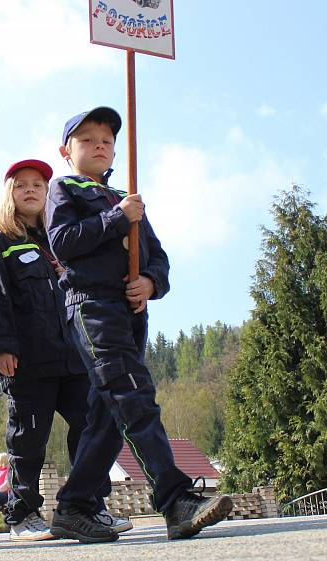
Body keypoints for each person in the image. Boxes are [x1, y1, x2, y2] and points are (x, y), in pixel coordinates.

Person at [45, 106, 234, 542]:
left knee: (109, 416)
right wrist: (116, 219)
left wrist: (150, 282)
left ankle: (73, 507)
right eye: (87, 139)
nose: (99, 146)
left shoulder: (127, 201)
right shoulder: (64, 189)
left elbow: (159, 257)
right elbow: (64, 243)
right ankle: (176, 499)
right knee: (134, 396)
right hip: (92, 308)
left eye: (107, 141)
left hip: (131, 311)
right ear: (66, 151)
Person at [0, 159, 130, 542]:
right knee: (28, 437)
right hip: (28, 359)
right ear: (9, 194)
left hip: (74, 354)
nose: (31, 190)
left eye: (38, 185)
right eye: (21, 185)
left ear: (49, 195)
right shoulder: (0, 242)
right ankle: (22, 513)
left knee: (90, 427)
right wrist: (0, 348)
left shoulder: (62, 240)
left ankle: (90, 505)